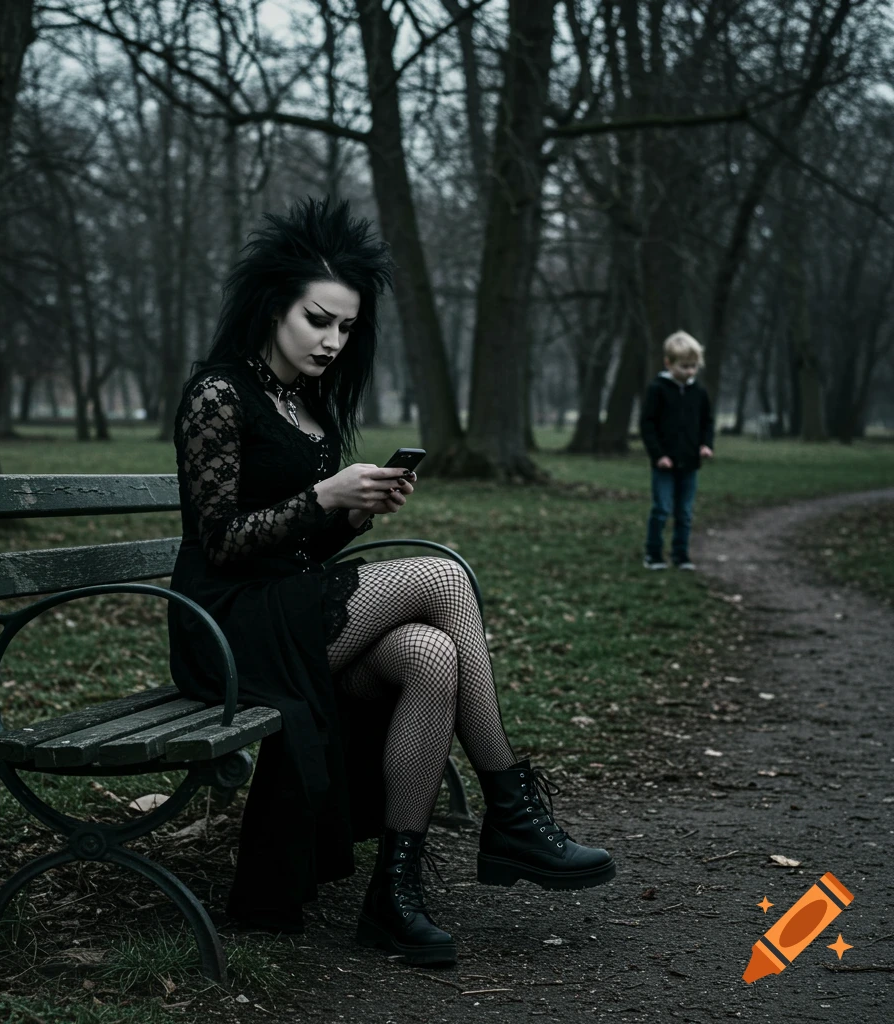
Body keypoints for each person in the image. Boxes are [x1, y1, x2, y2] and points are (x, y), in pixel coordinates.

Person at [167, 197, 615, 966]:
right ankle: (510, 810)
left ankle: (395, 895)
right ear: (274, 304)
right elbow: (222, 542)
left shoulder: (300, 401)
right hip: (227, 624)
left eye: (345, 327)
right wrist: (322, 497)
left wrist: (356, 513)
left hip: (287, 608)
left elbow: (302, 543)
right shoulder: (219, 394)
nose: (332, 341)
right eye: (318, 320)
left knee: (430, 657)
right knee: (442, 576)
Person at [639, 331, 715, 571]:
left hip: (690, 462)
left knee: (684, 512)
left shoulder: (699, 392)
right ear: (668, 363)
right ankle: (653, 554)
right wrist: (658, 454)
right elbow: (647, 424)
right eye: (684, 366)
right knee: (661, 509)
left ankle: (681, 555)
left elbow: (707, 422)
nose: (689, 372)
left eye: (693, 367)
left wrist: (706, 445)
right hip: (664, 463)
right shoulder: (657, 390)